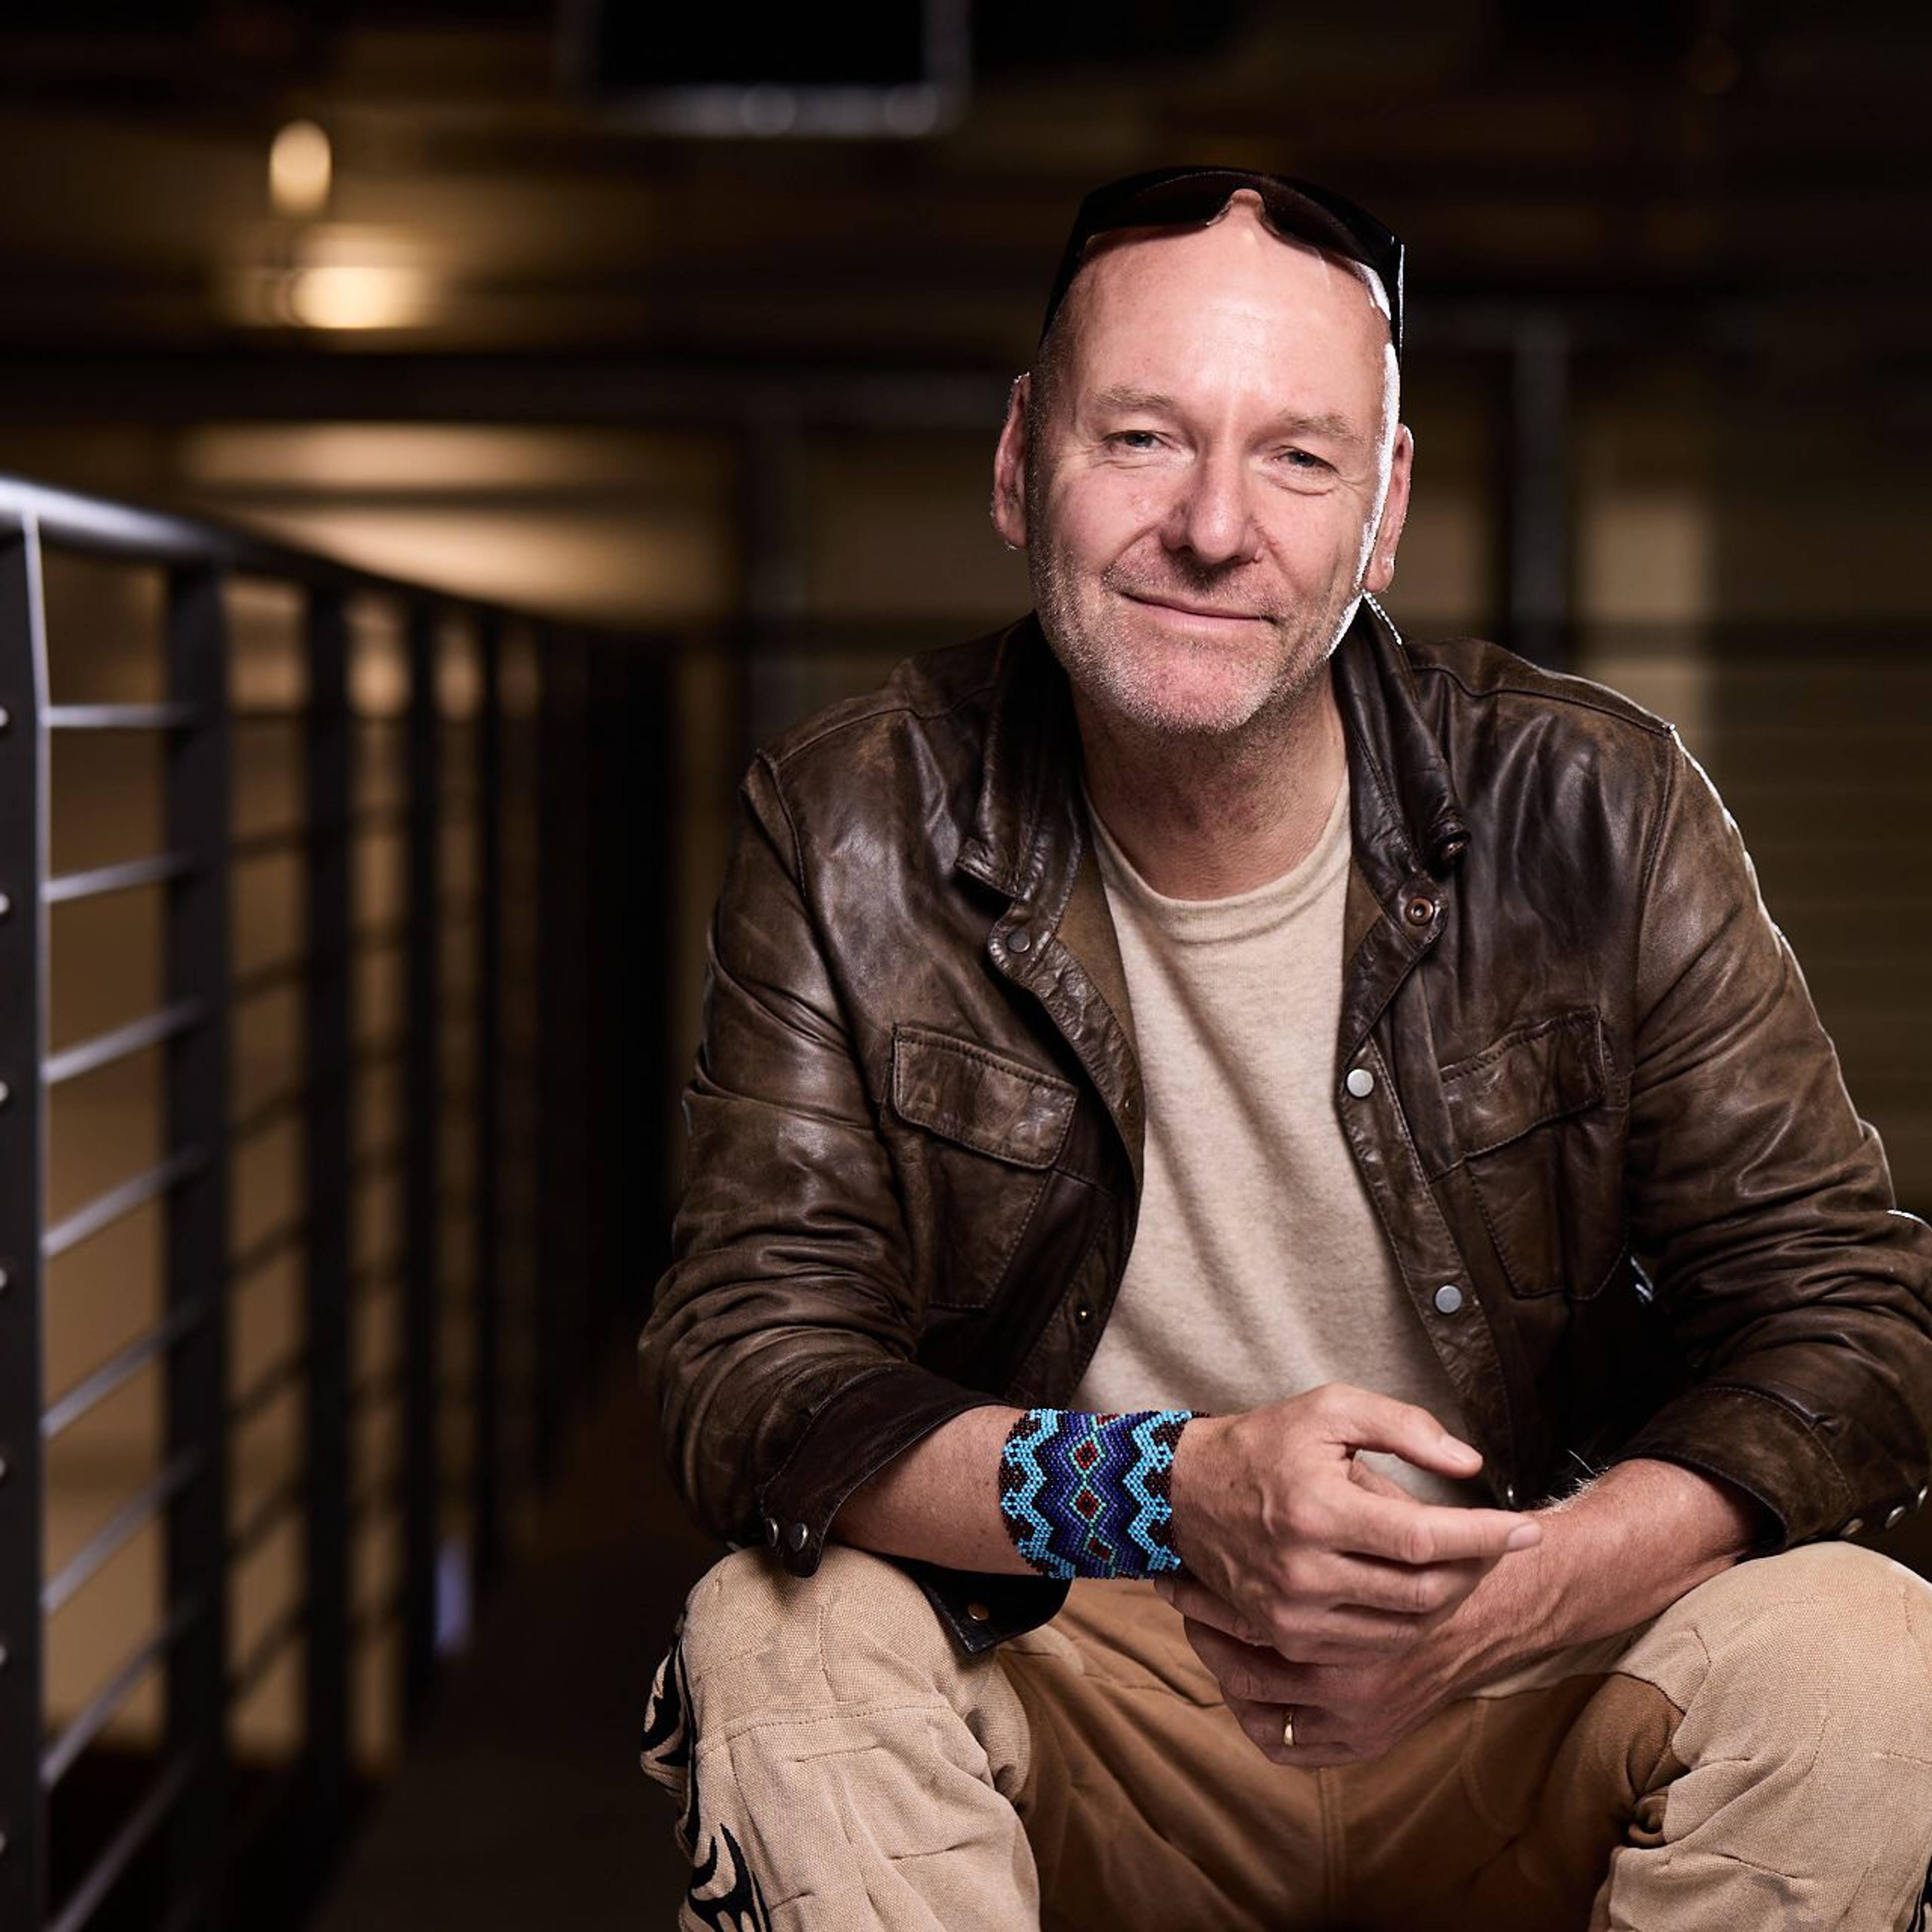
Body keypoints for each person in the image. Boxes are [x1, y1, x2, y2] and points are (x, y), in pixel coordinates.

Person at [636, 166, 1932, 1930]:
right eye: (1147, 438)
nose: (1216, 527)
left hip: (1509, 1676)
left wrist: (1526, 1592)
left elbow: (1852, 1320)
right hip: (1084, 1679)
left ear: (1381, 508)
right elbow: (745, 1364)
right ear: (1025, 459)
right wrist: (1154, 1495)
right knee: (773, 1633)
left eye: (1300, 459)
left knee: (1870, 1658)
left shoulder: (1591, 801)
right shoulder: (851, 818)